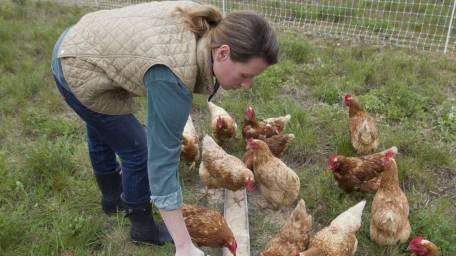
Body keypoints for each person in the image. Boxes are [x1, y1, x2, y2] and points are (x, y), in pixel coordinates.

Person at [51, 1, 278, 255]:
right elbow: (162, 165)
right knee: (140, 151)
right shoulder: (172, 77)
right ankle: (142, 227)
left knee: (103, 129)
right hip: (75, 65)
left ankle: (112, 199)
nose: (247, 85)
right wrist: (183, 245)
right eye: (245, 75)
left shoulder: (208, 26)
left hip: (83, 38)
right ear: (222, 53)